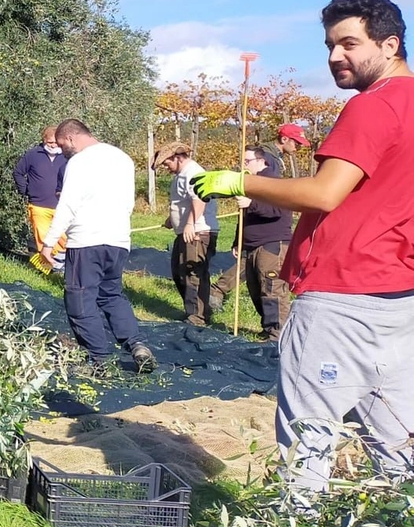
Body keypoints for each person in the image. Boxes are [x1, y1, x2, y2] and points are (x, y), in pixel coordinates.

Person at [192, 0, 414, 496]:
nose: (335, 56)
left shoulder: (372, 107)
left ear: (390, 45)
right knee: (398, 440)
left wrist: (238, 182)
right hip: (400, 297)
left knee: (306, 439)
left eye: (349, 44)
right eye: (330, 45)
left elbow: (323, 193)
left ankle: (297, 525)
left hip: (342, 296)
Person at [39, 119, 157, 372]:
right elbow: (128, 202)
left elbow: (68, 203)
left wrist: (48, 243)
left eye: (62, 145)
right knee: (111, 294)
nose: (61, 151)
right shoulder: (122, 158)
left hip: (86, 241)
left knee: (80, 299)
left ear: (71, 138)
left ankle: (99, 360)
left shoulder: (80, 162)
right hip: (118, 240)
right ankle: (137, 344)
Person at [210, 146, 294, 341]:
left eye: (247, 162)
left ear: (261, 161)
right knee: (255, 289)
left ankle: (278, 333)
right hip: (252, 244)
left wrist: (252, 204)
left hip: (272, 243)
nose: (244, 166)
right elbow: (244, 217)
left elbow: (279, 210)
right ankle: (267, 327)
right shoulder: (251, 184)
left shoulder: (273, 182)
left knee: (272, 289)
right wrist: (238, 241)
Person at [152, 142, 219, 327]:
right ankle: (196, 311)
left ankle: (197, 318)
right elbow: (183, 202)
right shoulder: (181, 175)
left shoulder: (193, 172)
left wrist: (190, 223)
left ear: (177, 157)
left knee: (193, 273)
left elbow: (199, 199)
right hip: (186, 231)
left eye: (166, 163)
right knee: (179, 272)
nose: (166, 167)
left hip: (197, 231)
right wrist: (171, 219)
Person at [13, 125, 68, 259]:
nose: (54, 145)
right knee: (43, 239)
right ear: (44, 140)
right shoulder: (33, 155)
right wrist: (25, 190)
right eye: (50, 142)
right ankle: (50, 266)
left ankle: (65, 263)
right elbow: (18, 172)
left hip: (62, 206)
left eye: (56, 142)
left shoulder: (67, 157)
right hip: (38, 205)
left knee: (65, 239)